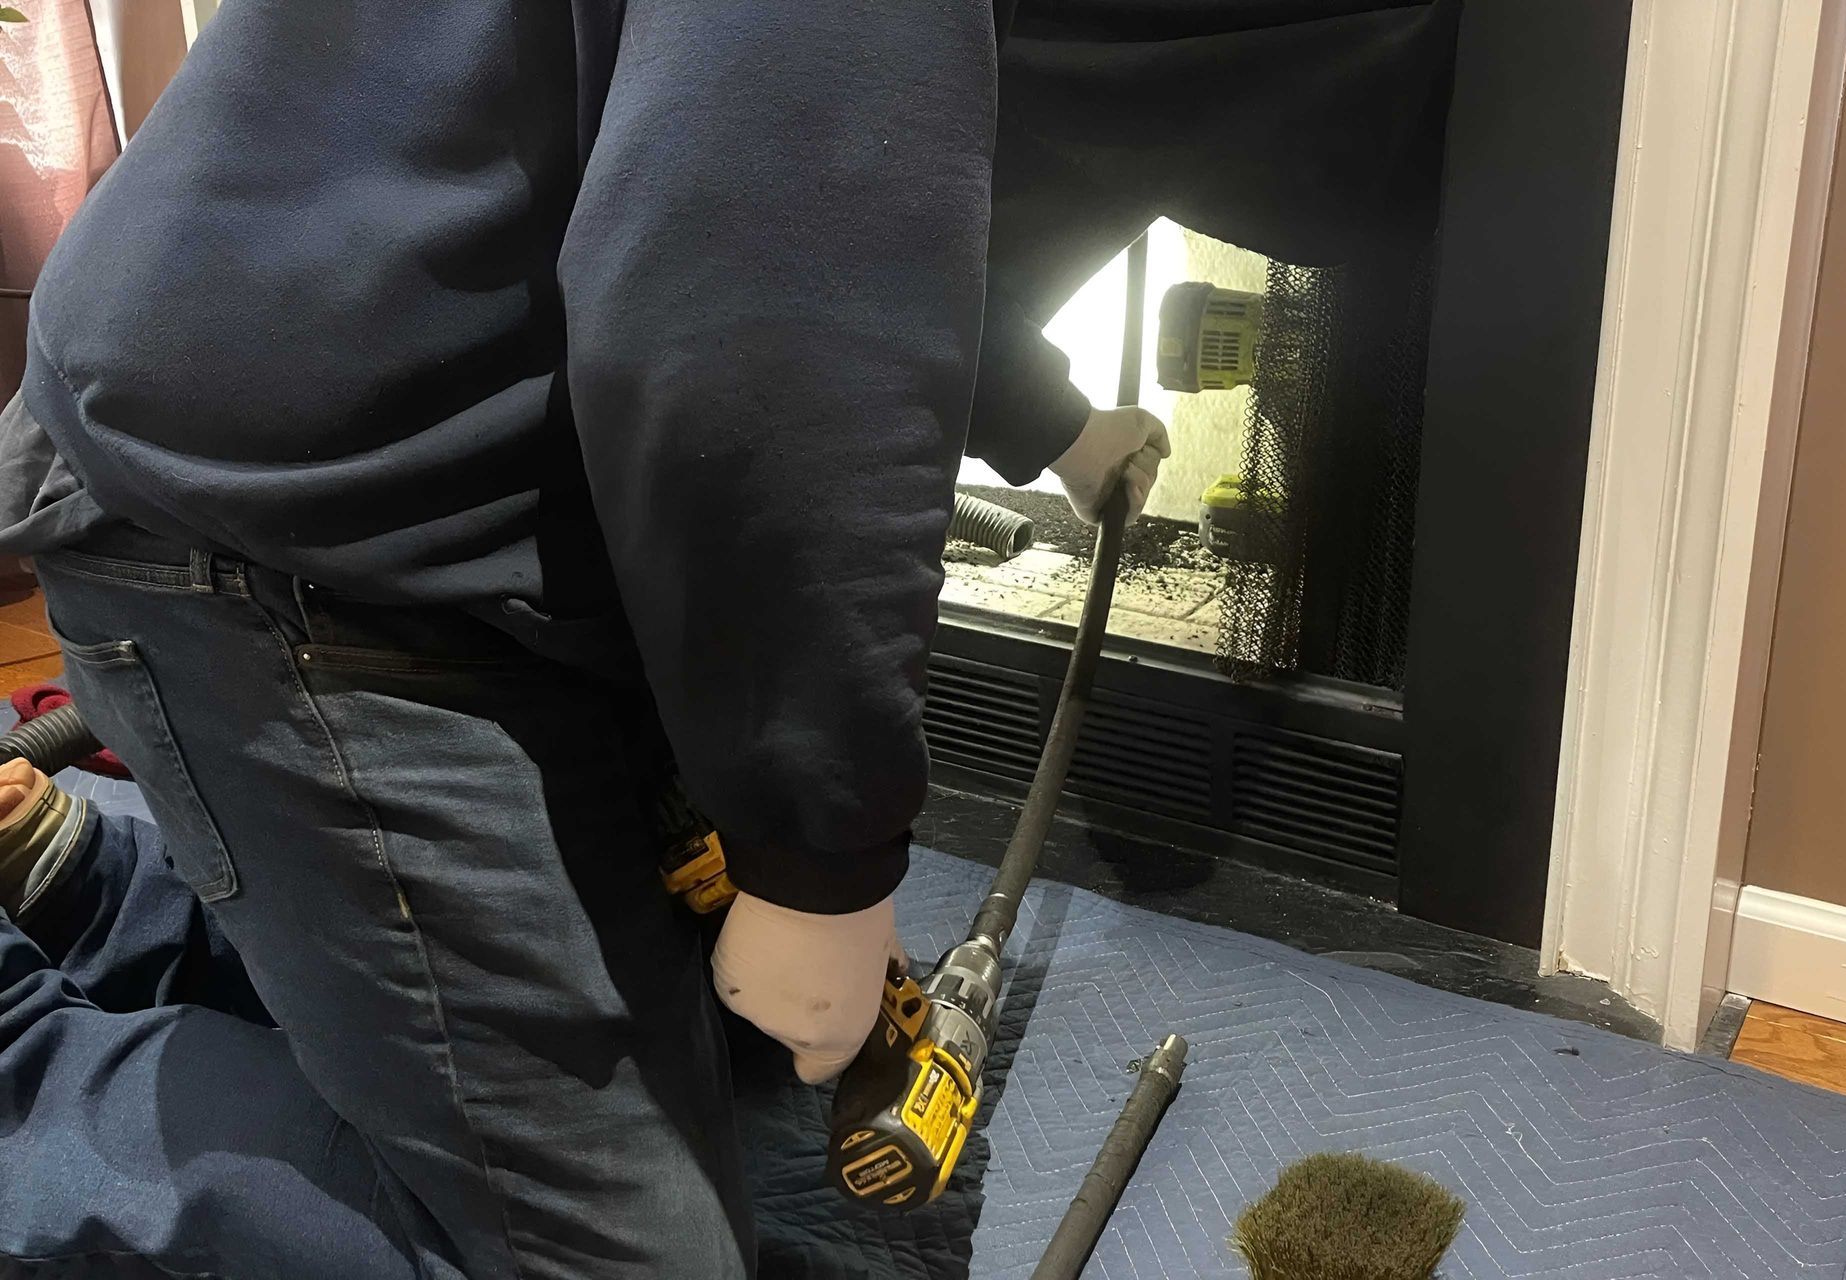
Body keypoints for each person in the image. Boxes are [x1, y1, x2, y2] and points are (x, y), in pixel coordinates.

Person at [0, 2, 1167, 1276]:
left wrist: (1052, 420)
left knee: (725, 1044)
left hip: (371, 494)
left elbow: (828, 191)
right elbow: (752, 327)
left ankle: (92, 889)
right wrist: (817, 855)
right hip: (279, 543)